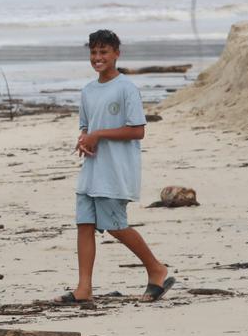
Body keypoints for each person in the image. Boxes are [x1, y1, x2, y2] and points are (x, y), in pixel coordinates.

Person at [58, 29, 174, 304]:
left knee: (115, 226)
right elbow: (87, 128)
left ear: (116, 54)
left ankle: (156, 268)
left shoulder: (126, 88)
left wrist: (99, 135)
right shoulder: (87, 90)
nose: (98, 58)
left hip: (116, 172)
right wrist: (85, 140)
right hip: (91, 171)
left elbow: (138, 131)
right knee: (84, 224)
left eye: (104, 52)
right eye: (94, 53)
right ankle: (83, 288)